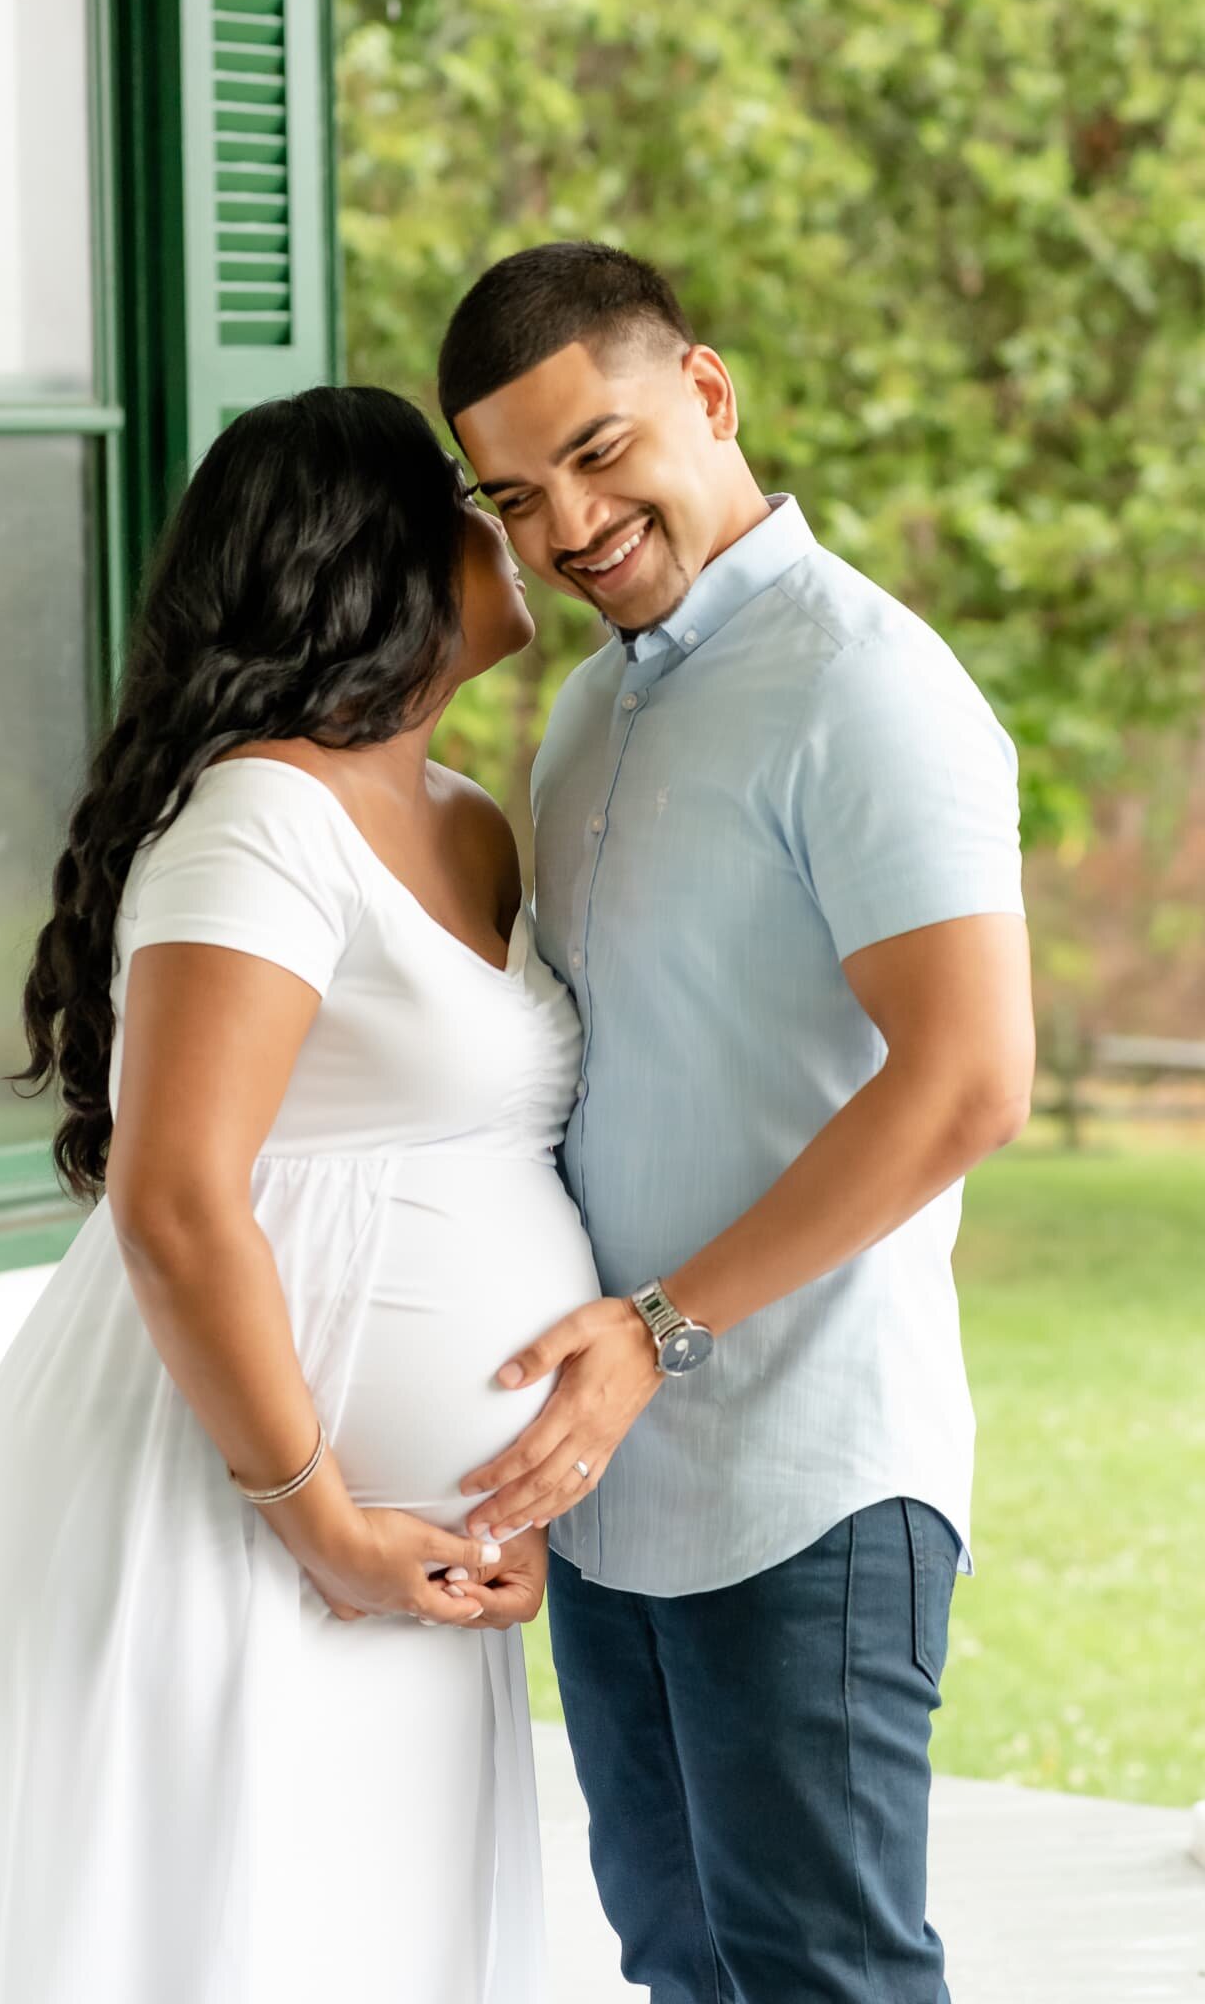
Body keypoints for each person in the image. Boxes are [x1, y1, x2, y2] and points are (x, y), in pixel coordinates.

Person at [0, 385, 602, 2004]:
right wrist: (322, 1518)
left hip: (389, 1546)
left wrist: (468, 1507)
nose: (507, 531)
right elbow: (177, 1200)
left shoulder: (470, 824)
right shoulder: (261, 820)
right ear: (372, 555)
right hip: (213, 1509)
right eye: (466, 499)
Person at [439, 241, 1036, 2004]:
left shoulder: (870, 684)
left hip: (804, 1472)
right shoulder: (587, 706)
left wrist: (662, 1331)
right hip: (618, 1485)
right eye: (518, 494)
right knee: (684, 1966)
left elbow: (970, 1077)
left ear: (707, 392)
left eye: (602, 452)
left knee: (822, 1977)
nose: (570, 524)